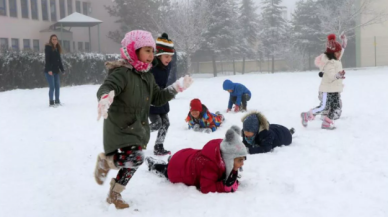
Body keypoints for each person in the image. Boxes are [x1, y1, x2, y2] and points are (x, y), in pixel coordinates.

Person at [93, 30, 193, 209]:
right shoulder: (121, 72)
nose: (151, 55)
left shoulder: (147, 75)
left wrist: (176, 88)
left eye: (152, 51)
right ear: (133, 50)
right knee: (136, 158)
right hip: (120, 127)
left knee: (135, 160)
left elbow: (158, 98)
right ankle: (107, 164)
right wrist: (105, 97)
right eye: (147, 50)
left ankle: (114, 194)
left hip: (137, 127)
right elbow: (107, 86)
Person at [146, 126, 247, 194]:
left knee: (178, 162)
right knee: (166, 170)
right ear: (228, 159)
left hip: (185, 156)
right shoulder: (210, 165)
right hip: (178, 169)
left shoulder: (222, 150)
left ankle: (170, 160)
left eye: (243, 159)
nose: (242, 163)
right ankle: (154, 165)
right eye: (239, 160)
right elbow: (206, 188)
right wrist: (222, 186)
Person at [301, 34, 345, 130]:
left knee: (336, 108)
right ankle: (306, 115)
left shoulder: (337, 60)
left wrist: (344, 43)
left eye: (339, 52)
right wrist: (338, 75)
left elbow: (342, 51)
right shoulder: (329, 63)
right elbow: (331, 75)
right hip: (327, 89)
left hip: (335, 89)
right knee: (323, 107)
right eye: (337, 52)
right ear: (332, 53)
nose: (339, 54)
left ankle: (326, 122)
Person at [149, 33, 175, 156]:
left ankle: (158, 146)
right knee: (156, 124)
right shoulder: (151, 66)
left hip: (162, 97)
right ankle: (136, 135)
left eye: (170, 56)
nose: (169, 59)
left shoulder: (167, 65)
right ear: (158, 55)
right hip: (151, 99)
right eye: (166, 56)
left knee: (166, 123)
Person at [44, 34, 65, 107]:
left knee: (57, 86)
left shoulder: (57, 48)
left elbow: (59, 60)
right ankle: (51, 101)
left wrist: (62, 69)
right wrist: (49, 70)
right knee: (52, 87)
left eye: (56, 39)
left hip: (56, 71)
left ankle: (57, 100)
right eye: (53, 39)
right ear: (51, 40)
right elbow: (47, 60)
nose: (55, 40)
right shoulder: (48, 48)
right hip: (49, 71)